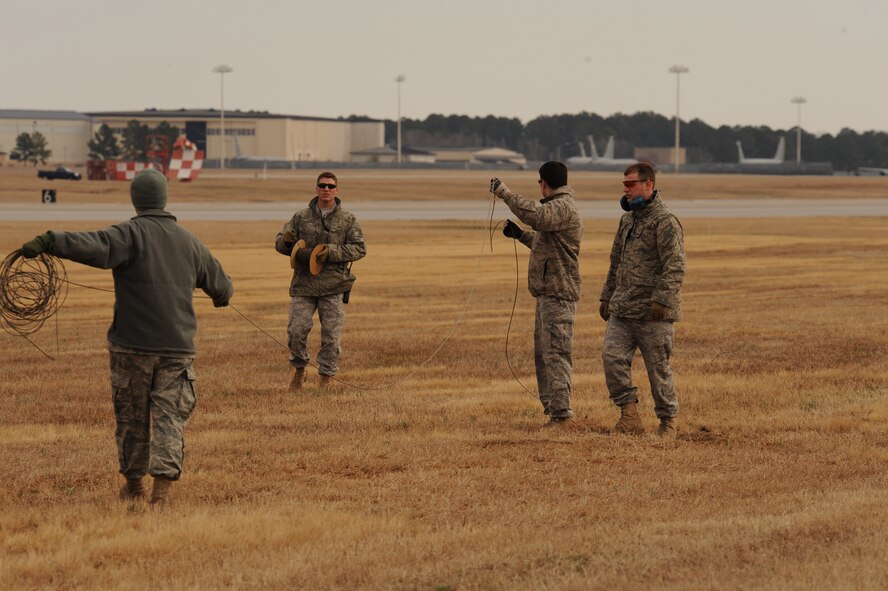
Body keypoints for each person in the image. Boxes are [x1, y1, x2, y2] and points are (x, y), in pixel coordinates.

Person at [20, 168, 234, 505]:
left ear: (136, 200)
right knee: (170, 418)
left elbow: (93, 245)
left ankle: (134, 487)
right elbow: (222, 286)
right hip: (177, 349)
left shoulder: (128, 234)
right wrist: (221, 296)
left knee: (132, 418)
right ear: (163, 198)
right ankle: (161, 493)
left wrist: (50, 240)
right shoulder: (189, 240)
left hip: (131, 347)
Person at [490, 161, 583, 427]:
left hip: (558, 295)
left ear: (544, 182)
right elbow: (546, 245)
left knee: (556, 353)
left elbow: (537, 216)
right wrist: (520, 236)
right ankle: (554, 411)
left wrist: (504, 192)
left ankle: (562, 415)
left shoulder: (562, 207)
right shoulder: (557, 210)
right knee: (545, 356)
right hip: (548, 295)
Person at [599, 162, 685, 439]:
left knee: (658, 369)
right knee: (612, 359)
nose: (626, 189)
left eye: (631, 184)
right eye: (624, 184)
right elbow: (616, 263)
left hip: (652, 314)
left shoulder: (665, 222)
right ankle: (629, 416)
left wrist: (663, 300)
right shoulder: (627, 220)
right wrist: (606, 296)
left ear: (648, 185)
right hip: (623, 309)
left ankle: (668, 422)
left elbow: (675, 265)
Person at [274, 172, 366, 390]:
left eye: (330, 186)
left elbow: (360, 248)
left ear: (336, 190)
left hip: (334, 285)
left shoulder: (348, 220)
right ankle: (299, 370)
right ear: (316, 188)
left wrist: (331, 252)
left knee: (331, 336)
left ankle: (326, 376)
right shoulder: (300, 217)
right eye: (322, 185)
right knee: (296, 330)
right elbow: (280, 242)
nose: (326, 189)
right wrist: (286, 243)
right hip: (303, 284)